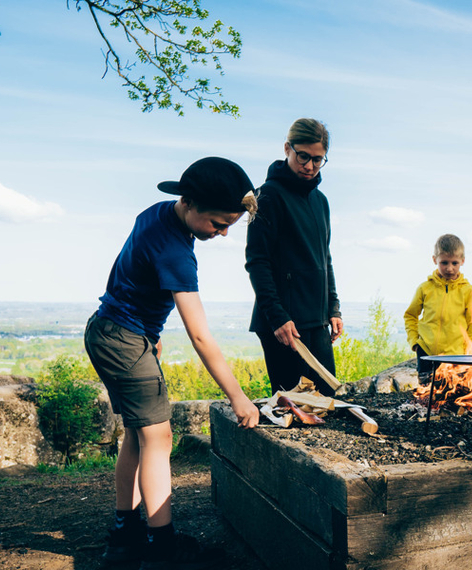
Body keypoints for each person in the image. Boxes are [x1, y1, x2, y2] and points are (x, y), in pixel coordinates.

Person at [84, 157, 261, 570]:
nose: (223, 233)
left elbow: (126, 272)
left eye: (230, 225)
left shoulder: (157, 213)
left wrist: (151, 332)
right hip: (125, 340)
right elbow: (200, 335)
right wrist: (237, 397)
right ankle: (161, 549)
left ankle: (125, 535)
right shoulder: (177, 253)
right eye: (218, 223)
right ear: (190, 203)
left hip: (111, 329)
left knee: (138, 434)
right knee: (159, 439)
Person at [245, 118, 343, 396]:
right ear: (287, 148)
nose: (310, 166)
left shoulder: (321, 201)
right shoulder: (267, 197)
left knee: (327, 401)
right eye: (303, 156)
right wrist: (277, 318)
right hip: (282, 324)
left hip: (316, 320)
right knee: (295, 407)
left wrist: (333, 308)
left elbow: (324, 258)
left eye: (318, 159)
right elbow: (257, 262)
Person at [404, 234, 472, 383]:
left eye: (454, 263)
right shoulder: (425, 288)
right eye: (444, 262)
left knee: (452, 396)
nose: (449, 268)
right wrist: (415, 342)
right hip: (426, 352)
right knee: (426, 396)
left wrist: (467, 350)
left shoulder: (467, 290)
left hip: (456, 355)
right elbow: (410, 316)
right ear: (434, 260)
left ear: (462, 261)